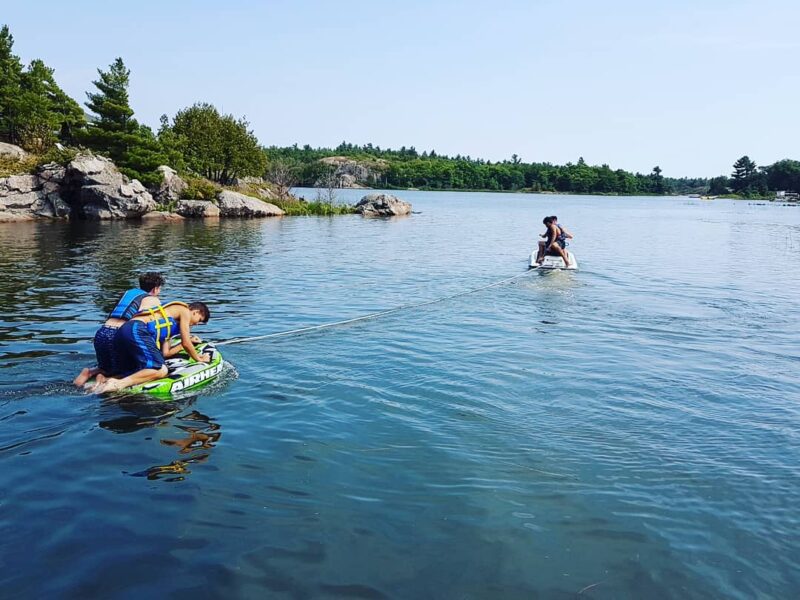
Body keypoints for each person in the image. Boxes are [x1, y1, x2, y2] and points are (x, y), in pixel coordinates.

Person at [91, 301, 211, 394]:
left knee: (138, 370)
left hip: (125, 332)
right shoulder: (184, 310)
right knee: (161, 370)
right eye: (199, 320)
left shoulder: (168, 321)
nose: (196, 324)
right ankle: (117, 384)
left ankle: (104, 378)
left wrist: (186, 343)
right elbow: (186, 343)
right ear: (195, 311)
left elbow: (166, 353)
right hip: (136, 329)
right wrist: (199, 359)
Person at [73, 272, 165, 387]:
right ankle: (105, 381)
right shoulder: (153, 300)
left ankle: (91, 372)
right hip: (119, 335)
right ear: (156, 288)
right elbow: (153, 328)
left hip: (102, 332)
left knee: (108, 368)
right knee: (136, 369)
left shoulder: (129, 293)